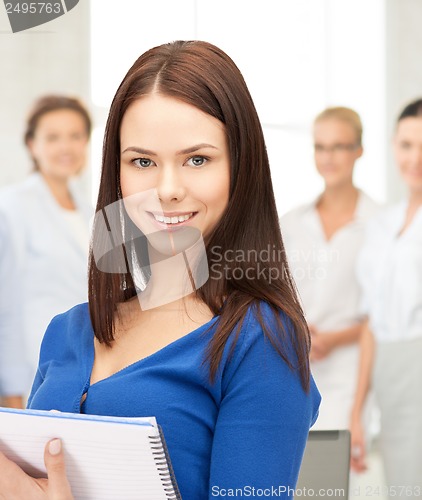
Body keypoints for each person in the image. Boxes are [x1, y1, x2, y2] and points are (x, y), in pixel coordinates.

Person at [0, 41, 320, 499]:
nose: (167, 189)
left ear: (241, 168)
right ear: (118, 171)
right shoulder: (67, 331)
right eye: (143, 162)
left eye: (197, 159)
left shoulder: (260, 339)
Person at [280, 107, 379, 431]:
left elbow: (380, 314)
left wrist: (334, 339)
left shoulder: (380, 224)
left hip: (348, 375)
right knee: (295, 477)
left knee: (335, 475)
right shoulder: (291, 223)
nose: (328, 157)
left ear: (358, 151)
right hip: (292, 364)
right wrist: (298, 331)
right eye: (320, 147)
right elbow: (275, 292)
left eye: (339, 146)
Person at [0, 95, 92, 406]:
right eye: (53, 137)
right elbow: (6, 304)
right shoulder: (11, 206)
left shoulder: (91, 211)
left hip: (83, 371)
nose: (66, 147)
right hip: (30, 373)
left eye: (75, 136)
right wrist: (10, 389)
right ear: (31, 144)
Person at [350, 99, 422, 495]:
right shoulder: (382, 225)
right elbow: (370, 323)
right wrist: (358, 409)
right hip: (388, 375)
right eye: (407, 144)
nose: (415, 158)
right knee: (400, 485)